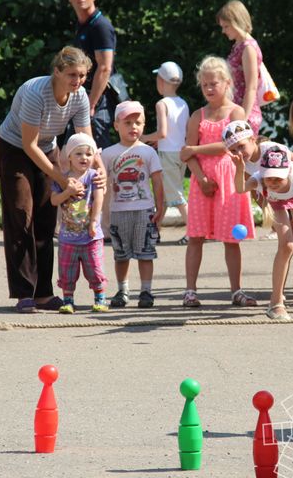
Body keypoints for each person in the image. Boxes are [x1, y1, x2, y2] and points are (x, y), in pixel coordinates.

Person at [0, 46, 102, 314]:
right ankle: (23, 293)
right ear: (57, 71)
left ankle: (43, 293)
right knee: (22, 214)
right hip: (15, 149)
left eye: (83, 75)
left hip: (47, 148)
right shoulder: (35, 93)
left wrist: (100, 171)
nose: (77, 81)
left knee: (46, 215)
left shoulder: (79, 96)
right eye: (72, 75)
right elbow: (29, 145)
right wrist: (63, 179)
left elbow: (85, 140)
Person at [180, 56, 256, 307]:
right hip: (202, 182)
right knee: (195, 237)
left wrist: (195, 149)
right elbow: (186, 153)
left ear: (227, 83)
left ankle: (236, 290)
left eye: (214, 83)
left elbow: (230, 144)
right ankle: (190, 291)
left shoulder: (236, 111)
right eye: (204, 85)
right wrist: (200, 178)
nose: (209, 89)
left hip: (229, 179)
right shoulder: (197, 115)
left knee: (231, 238)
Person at [222, 120, 293, 304]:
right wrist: (266, 209)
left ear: (253, 139)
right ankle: (278, 295)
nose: (238, 153)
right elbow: (252, 190)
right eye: (233, 150)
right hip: (275, 199)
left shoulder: (272, 149)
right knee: (286, 244)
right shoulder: (243, 163)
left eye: (241, 146)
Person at [232, 142, 293, 320]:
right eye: (269, 178)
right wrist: (240, 169)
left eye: (278, 178)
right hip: (275, 201)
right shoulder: (259, 180)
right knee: (287, 245)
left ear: (287, 173)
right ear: (262, 175)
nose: (274, 182)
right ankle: (276, 302)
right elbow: (240, 189)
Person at [100, 101, 165, 308]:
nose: (133, 127)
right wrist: (102, 213)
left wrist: (160, 207)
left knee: (145, 253)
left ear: (144, 125)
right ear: (116, 125)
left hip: (144, 211)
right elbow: (102, 184)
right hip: (118, 211)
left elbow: (157, 181)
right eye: (127, 122)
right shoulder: (108, 153)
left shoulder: (149, 152)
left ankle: (146, 291)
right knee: (121, 255)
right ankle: (123, 290)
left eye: (138, 122)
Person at [52, 133, 108, 314]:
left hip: (91, 236)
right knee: (67, 270)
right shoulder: (63, 179)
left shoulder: (93, 177)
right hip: (68, 237)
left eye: (88, 154)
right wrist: (68, 191)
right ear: (69, 156)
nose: (84, 158)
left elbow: (99, 198)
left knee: (95, 268)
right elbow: (54, 200)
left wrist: (93, 221)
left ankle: (100, 298)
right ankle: (68, 300)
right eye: (78, 154)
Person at [64, 0, 118, 148]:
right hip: (83, 96)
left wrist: (91, 104)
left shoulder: (100, 26)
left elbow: (104, 68)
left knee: (96, 149)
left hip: (97, 99)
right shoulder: (83, 25)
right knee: (76, 149)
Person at [141, 62, 190, 244]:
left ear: (161, 81)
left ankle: (193, 231)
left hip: (167, 155)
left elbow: (162, 132)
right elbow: (180, 131)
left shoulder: (161, 103)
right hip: (181, 153)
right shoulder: (183, 103)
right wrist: (158, 141)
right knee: (163, 193)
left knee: (175, 196)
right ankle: (156, 231)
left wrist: (144, 137)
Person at [217, 0, 265, 134]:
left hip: (245, 114)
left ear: (236, 23)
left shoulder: (248, 47)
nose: (223, 31)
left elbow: (251, 87)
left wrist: (242, 121)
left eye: (226, 26)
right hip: (237, 112)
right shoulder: (239, 45)